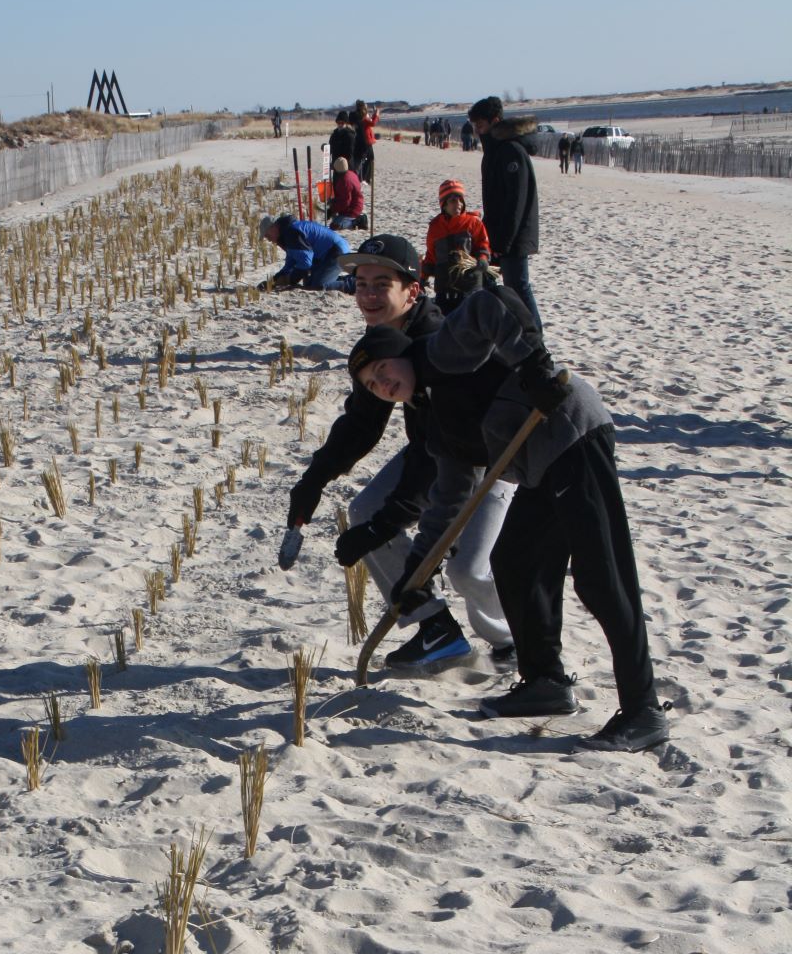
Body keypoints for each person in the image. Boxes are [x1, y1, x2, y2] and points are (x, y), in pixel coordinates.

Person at [345, 293, 670, 750]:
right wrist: (419, 569)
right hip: (537, 464)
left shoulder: (440, 351)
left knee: (602, 576)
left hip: (570, 430)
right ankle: (546, 682)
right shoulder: (433, 418)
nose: (381, 383)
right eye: (372, 385)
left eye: (383, 370)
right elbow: (450, 495)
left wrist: (534, 365)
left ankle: (644, 710)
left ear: (401, 353)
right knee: (515, 561)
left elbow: (486, 305)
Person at [285, 234, 515, 672]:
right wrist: (313, 480)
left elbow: (447, 454)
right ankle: (435, 628)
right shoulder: (381, 342)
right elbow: (362, 423)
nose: (368, 294)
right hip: (435, 452)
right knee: (366, 509)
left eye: (381, 283)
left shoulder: (439, 340)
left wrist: (390, 522)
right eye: (361, 283)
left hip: (491, 459)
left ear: (412, 289)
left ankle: (512, 641)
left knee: (469, 570)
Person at [468, 94, 543, 331]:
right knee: (496, 285)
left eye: (480, 125)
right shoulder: (493, 152)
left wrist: (505, 241)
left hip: (515, 234)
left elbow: (516, 202)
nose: (477, 131)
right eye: (475, 126)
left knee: (518, 285)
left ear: (495, 121)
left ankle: (535, 338)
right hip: (498, 232)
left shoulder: (511, 151)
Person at [423, 180, 491, 313]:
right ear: (444, 204)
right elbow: (431, 254)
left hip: (469, 285)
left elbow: (483, 244)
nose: (458, 204)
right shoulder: (436, 227)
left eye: (460, 200)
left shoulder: (472, 223)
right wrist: (424, 274)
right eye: (453, 201)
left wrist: (483, 258)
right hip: (444, 286)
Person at [259, 214, 351, 291]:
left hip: (337, 251)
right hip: (325, 255)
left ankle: (353, 284)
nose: (268, 239)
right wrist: (273, 281)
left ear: (273, 227)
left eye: (267, 235)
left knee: (318, 286)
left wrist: (291, 280)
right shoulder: (286, 235)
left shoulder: (291, 233)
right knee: (308, 283)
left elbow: (305, 263)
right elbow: (290, 264)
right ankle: (334, 278)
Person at [329, 158, 366, 229]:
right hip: (357, 205)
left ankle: (357, 222)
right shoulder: (351, 174)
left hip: (352, 210)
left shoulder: (345, 181)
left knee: (335, 225)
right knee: (335, 220)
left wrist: (332, 209)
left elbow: (345, 202)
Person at [353, 100, 379, 182]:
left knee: (367, 159)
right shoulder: (362, 118)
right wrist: (376, 114)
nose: (367, 108)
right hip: (366, 141)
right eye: (366, 107)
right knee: (369, 159)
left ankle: (365, 177)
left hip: (364, 141)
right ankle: (365, 178)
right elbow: (373, 123)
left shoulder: (359, 116)